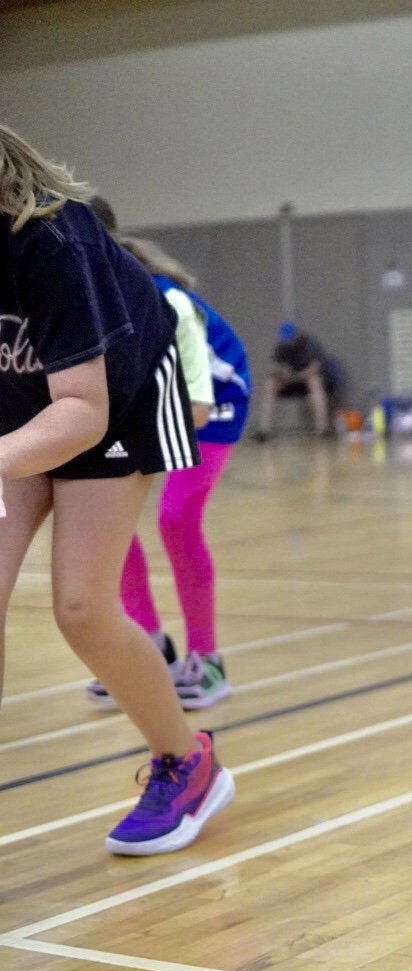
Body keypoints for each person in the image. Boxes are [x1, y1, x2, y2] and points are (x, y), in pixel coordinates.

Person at [0, 123, 234, 854]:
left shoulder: (53, 240)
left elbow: (82, 412)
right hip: (22, 400)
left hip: (115, 401)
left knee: (82, 605)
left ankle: (188, 761)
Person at [84, 199, 251, 710]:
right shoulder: (81, 299)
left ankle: (208, 660)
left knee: (176, 519)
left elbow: (196, 405)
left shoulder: (162, 298)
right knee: (102, 519)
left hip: (213, 405)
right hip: (147, 404)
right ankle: (149, 645)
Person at [253, 321, 330, 439]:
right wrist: (279, 372)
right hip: (290, 381)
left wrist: (296, 376)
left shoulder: (310, 344)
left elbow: (315, 368)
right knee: (270, 383)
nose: (289, 343)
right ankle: (264, 430)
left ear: (297, 335)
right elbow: (273, 366)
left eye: (291, 339)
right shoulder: (282, 347)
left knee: (315, 381)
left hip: (306, 381)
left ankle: (322, 428)